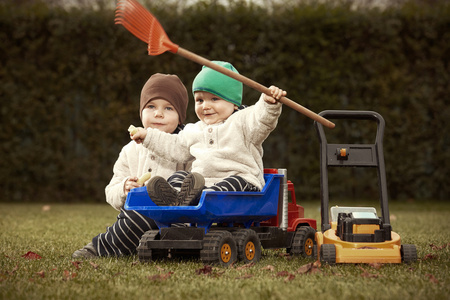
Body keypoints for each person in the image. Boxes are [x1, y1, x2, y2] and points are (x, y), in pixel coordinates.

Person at [131, 61, 285, 207]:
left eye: (214, 99)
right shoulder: (194, 130)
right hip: (203, 184)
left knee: (230, 184)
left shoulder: (243, 121)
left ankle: (196, 200)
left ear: (234, 103)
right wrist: (148, 136)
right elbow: (174, 145)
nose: (205, 106)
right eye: (199, 100)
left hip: (242, 184)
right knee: (179, 177)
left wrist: (268, 104)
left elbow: (262, 120)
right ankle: (176, 203)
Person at [72, 73, 189, 258]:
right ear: (141, 111)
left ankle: (109, 246)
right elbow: (110, 191)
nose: (158, 113)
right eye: (151, 106)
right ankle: (103, 246)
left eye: (168, 108)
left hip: (178, 219)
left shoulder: (185, 145)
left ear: (180, 117)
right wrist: (125, 188)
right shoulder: (130, 150)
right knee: (135, 215)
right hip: (140, 217)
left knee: (179, 183)